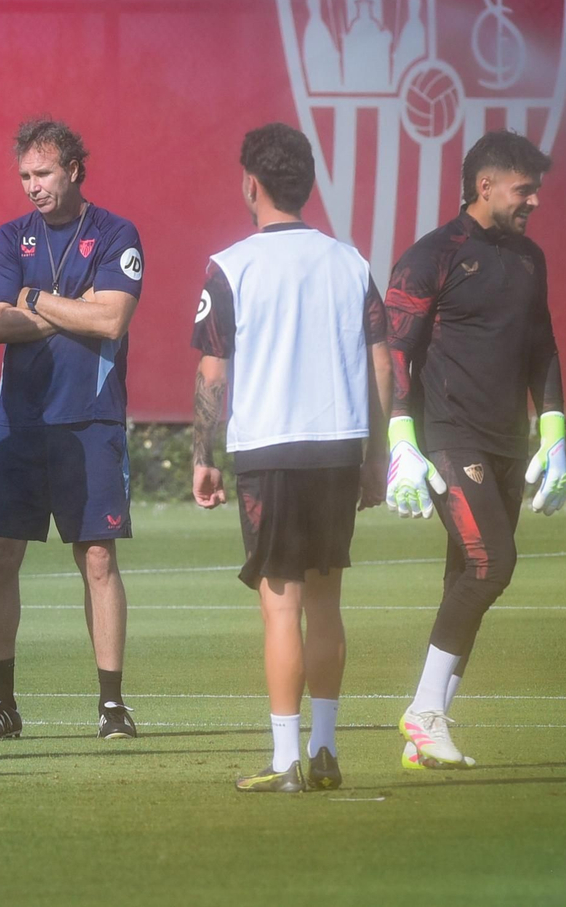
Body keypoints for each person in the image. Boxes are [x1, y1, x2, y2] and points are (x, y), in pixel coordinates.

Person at [190, 124, 389, 792]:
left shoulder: (231, 264)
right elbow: (380, 361)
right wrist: (377, 451)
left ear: (252, 183)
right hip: (337, 447)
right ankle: (327, 751)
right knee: (327, 602)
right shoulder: (351, 262)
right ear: (308, 183)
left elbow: (213, 367)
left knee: (281, 606)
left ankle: (285, 762)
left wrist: (202, 452)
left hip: (269, 451)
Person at [386, 130, 566, 770]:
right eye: (526, 189)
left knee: (467, 577)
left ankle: (426, 736)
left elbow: (541, 347)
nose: (535, 201)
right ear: (485, 186)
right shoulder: (431, 256)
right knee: (493, 564)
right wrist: (400, 440)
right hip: (447, 438)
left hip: (506, 446)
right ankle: (425, 712)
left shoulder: (529, 259)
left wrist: (554, 433)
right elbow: (396, 352)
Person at [0, 119, 144, 740]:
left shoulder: (115, 232)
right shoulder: (8, 236)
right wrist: (72, 306)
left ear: (74, 169)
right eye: (24, 176)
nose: (32, 187)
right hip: (18, 423)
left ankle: (111, 705)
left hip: (90, 421)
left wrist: (36, 301)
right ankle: (1, 704)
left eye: (42, 174)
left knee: (96, 558)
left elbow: (113, 321)